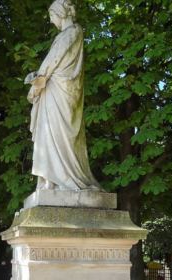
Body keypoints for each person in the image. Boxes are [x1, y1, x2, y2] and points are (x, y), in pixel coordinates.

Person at [25, 0, 102, 192]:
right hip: (55, 89)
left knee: (60, 134)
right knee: (48, 134)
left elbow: (53, 59)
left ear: (60, 14)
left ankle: (65, 179)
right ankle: (50, 179)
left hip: (60, 90)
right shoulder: (68, 34)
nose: (51, 21)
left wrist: (37, 81)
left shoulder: (71, 32)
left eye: (52, 16)